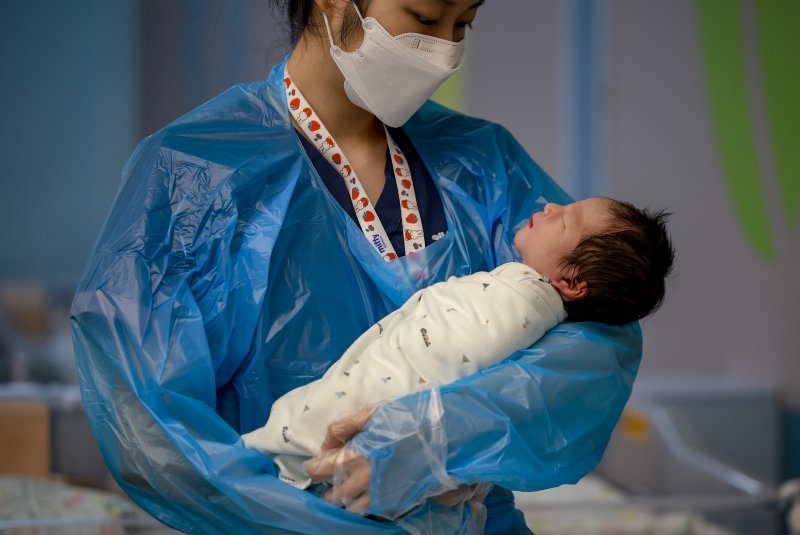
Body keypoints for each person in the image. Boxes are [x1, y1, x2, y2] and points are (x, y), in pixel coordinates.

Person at [70, 1, 645, 533]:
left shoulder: (484, 164)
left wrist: (441, 434)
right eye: (424, 16)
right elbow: (154, 431)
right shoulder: (194, 174)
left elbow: (598, 337)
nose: (445, 48)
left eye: (463, 23)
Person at [243, 198, 674, 495]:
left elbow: (436, 358)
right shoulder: (517, 289)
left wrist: (426, 433)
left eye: (565, 220)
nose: (551, 206)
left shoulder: (522, 302)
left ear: (573, 283)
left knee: (300, 441)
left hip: (357, 429)